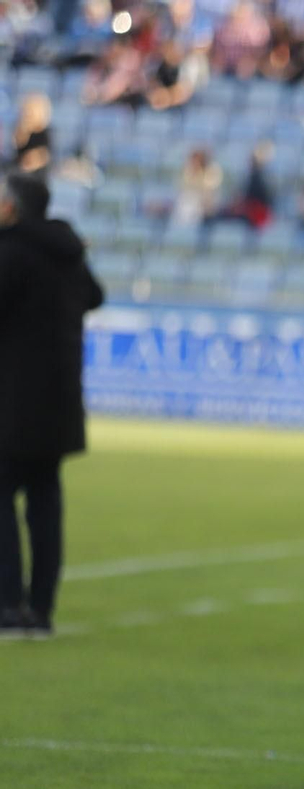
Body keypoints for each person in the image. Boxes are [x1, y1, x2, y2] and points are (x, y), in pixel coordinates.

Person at [0, 172, 105, 638]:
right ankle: (40, 610)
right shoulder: (67, 252)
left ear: (13, 207)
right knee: (45, 500)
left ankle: (9, 605)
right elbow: (94, 296)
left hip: (14, 401)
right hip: (60, 400)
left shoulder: (12, 253)